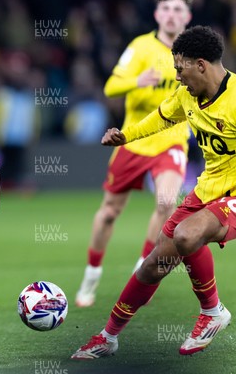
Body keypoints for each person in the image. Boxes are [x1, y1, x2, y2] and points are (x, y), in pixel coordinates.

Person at [72, 25, 234, 359]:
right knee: (153, 264)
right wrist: (125, 136)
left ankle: (213, 311)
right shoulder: (188, 95)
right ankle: (108, 337)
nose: (176, 77)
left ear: (201, 65)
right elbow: (161, 118)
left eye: (180, 69)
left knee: (187, 235)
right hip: (208, 188)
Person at [75, 0, 192, 307]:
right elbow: (111, 86)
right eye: (165, 8)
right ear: (157, 16)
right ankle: (92, 273)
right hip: (134, 140)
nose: (171, 14)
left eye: (178, 9)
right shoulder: (140, 47)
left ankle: (142, 266)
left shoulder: (191, 53)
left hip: (171, 140)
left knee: (167, 203)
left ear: (187, 17)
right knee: (110, 212)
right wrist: (136, 81)